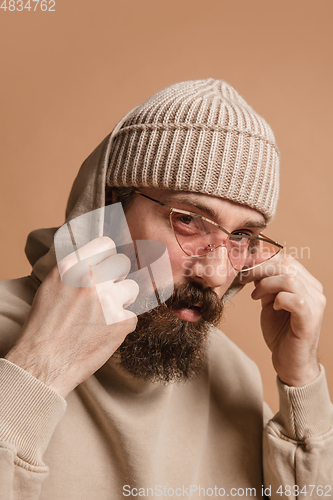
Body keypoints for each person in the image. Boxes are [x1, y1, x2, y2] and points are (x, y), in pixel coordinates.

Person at [0, 79, 331, 500]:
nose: (214, 272)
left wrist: (302, 384)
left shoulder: (232, 374)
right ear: (107, 207)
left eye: (242, 235)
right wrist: (36, 372)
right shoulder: (8, 338)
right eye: (188, 220)